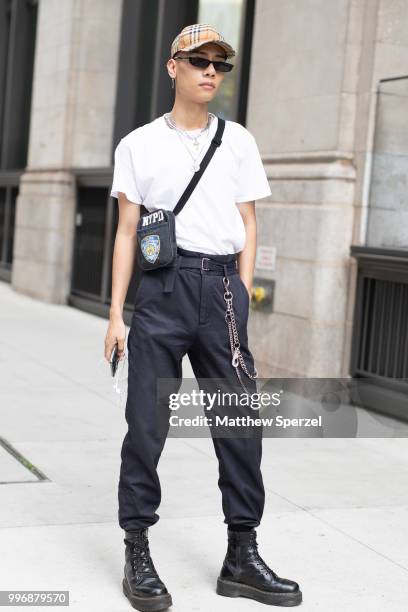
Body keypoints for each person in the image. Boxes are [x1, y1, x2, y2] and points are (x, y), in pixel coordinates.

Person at [106, 23, 302, 611]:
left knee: (241, 425)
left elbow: (247, 222)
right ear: (173, 67)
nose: (210, 70)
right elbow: (124, 235)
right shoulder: (138, 144)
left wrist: (239, 295)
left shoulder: (237, 140)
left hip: (220, 292)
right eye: (198, 60)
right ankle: (136, 546)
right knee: (146, 424)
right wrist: (116, 314)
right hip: (163, 292)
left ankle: (242, 553)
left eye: (221, 62)